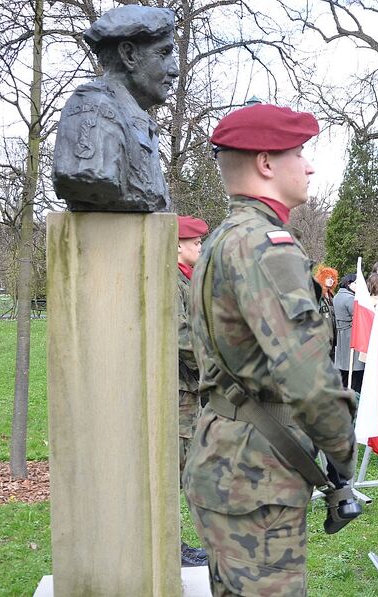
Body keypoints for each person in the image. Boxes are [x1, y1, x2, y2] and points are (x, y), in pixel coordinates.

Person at [185, 103, 357, 596]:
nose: (309, 165)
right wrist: (342, 451)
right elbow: (307, 378)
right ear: (266, 163)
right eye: (298, 153)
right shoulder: (266, 246)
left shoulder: (221, 240)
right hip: (255, 477)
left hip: (226, 461)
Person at [53, 5, 178, 212]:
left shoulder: (138, 119)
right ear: (128, 55)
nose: (174, 70)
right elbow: (88, 176)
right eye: (163, 53)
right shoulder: (93, 109)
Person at [175, 215, 209, 567]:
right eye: (195, 242)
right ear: (177, 246)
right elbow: (181, 336)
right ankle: (170, 545)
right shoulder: (172, 282)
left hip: (191, 389)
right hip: (179, 389)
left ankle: (176, 543)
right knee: (178, 471)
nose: (200, 247)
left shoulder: (189, 279)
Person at [333, 273, 365, 393]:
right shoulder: (350, 298)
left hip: (342, 334)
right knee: (354, 366)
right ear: (349, 283)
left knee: (344, 367)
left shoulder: (337, 296)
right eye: (356, 283)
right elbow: (358, 316)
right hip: (351, 334)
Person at [314, 265, 339, 359]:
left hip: (333, 337)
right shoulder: (318, 294)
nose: (330, 280)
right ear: (321, 278)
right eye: (327, 277)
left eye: (332, 278)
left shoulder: (332, 295)